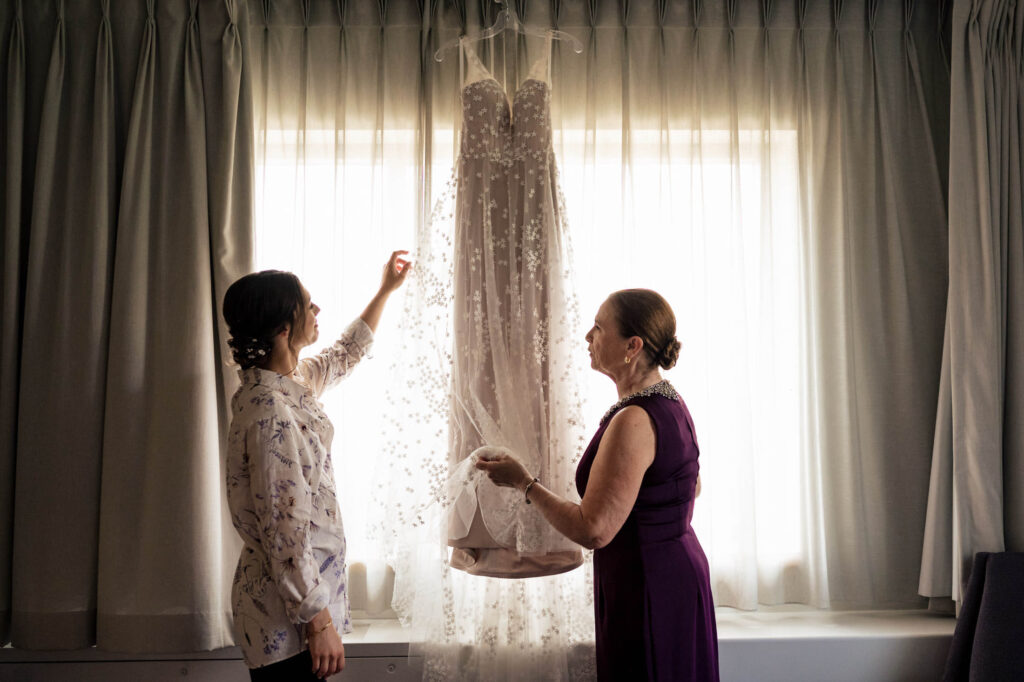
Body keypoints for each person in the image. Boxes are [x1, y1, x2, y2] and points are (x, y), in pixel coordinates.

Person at [476, 288, 720, 681]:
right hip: (675, 570)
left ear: (633, 346)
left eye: (598, 328)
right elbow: (691, 487)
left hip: (648, 585)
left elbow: (593, 530)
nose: (587, 337)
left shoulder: (634, 418)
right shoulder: (670, 402)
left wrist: (523, 482)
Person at [222, 252, 410, 681]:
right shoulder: (270, 412)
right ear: (285, 330)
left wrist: (384, 291)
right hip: (288, 621)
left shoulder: (289, 386)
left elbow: (345, 354)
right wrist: (318, 622)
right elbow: (284, 531)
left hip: (294, 614)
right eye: (308, 304)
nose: (317, 309)